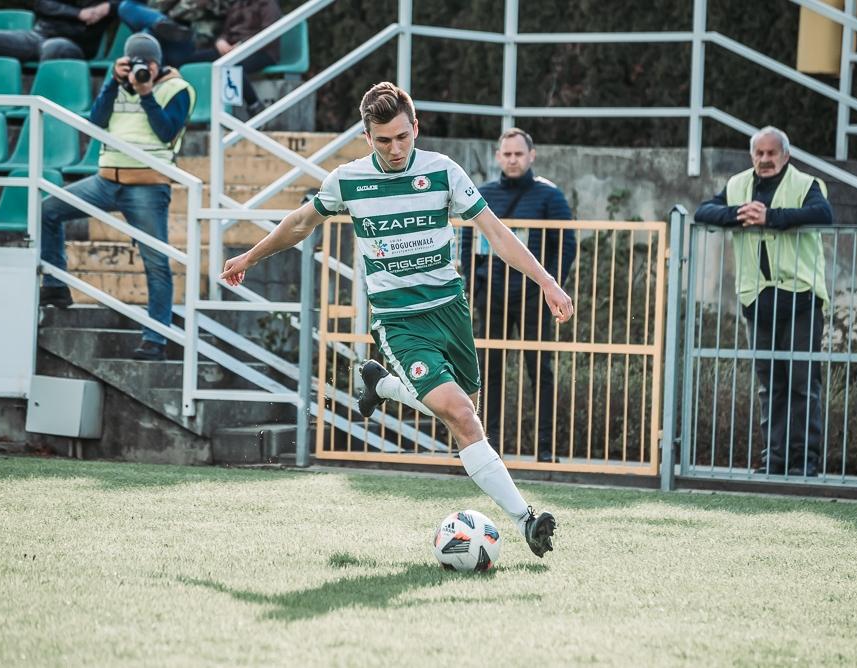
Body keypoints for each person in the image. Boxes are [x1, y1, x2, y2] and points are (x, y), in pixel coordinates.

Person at [220, 82, 574, 557]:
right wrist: (250, 256)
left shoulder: (443, 172)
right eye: (383, 140)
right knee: (460, 414)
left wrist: (547, 282)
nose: (394, 148)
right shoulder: (348, 180)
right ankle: (526, 520)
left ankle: (382, 385)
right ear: (367, 137)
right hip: (398, 319)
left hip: (450, 310)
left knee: (466, 411)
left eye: (403, 137)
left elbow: (495, 232)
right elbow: (301, 222)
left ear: (416, 129)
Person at [39, 33, 196, 362]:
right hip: (106, 180)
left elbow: (166, 131)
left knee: (156, 263)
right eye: (135, 62)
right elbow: (95, 123)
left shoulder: (178, 89)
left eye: (147, 63)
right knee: (47, 210)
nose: (142, 68)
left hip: (148, 185)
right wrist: (112, 81)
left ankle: (155, 339)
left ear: (158, 63)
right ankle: (55, 283)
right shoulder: (118, 84)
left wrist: (146, 93)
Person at [694, 126, 833, 477]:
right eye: (759, 153)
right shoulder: (738, 184)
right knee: (770, 386)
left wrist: (771, 218)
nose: (765, 159)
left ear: (785, 155)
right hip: (757, 299)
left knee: (803, 384)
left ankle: (804, 462)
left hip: (801, 298)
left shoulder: (806, 184)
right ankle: (773, 460)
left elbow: (823, 214)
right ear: (752, 155)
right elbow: (703, 211)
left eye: (772, 153)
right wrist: (739, 214)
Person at [461, 128, 576, 462]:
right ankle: (487, 447)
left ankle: (545, 449)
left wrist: (550, 288)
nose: (513, 160)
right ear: (498, 157)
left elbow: (566, 245)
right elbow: (468, 241)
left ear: (531, 156)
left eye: (519, 154)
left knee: (540, 371)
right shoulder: (484, 193)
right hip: (492, 296)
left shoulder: (549, 196)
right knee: (488, 373)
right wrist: (476, 286)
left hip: (532, 298)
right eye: (507, 154)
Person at [118, 0, 280, 115]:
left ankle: (254, 105)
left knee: (228, 65)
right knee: (147, 31)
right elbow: (226, 30)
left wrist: (242, 45)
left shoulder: (267, 3)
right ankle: (162, 27)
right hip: (227, 49)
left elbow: (270, 32)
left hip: (257, 50)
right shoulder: (238, 4)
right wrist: (220, 41)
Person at [0, 0, 117, 62]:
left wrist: (108, 7)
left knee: (53, 47)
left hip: (75, 43)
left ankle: (43, 105)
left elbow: (128, 6)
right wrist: (78, 13)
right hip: (38, 35)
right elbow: (42, 4)